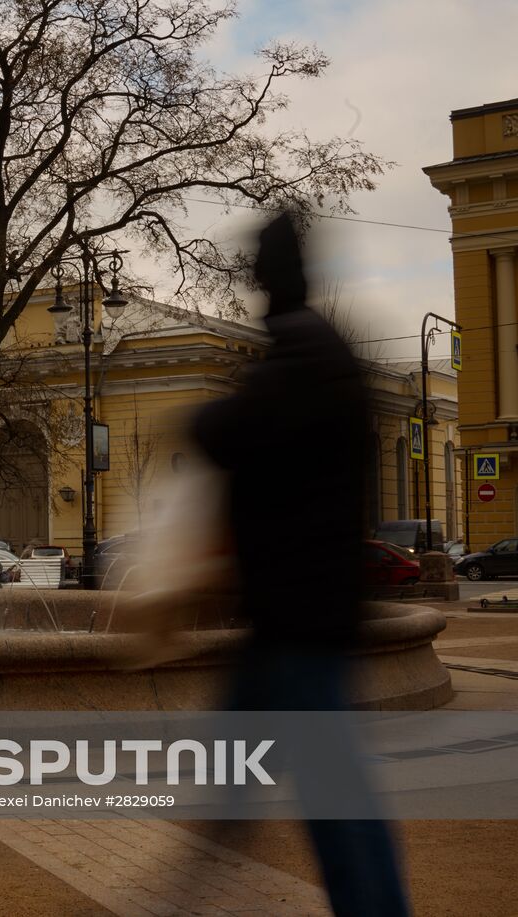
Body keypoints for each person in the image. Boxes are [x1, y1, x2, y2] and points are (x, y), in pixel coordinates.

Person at [190, 213, 410, 916]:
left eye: (262, 267)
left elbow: (229, 430)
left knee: (331, 793)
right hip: (295, 611)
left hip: (298, 618)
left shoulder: (303, 353)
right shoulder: (316, 348)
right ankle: (189, 885)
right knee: (240, 772)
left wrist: (199, 419)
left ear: (274, 274)